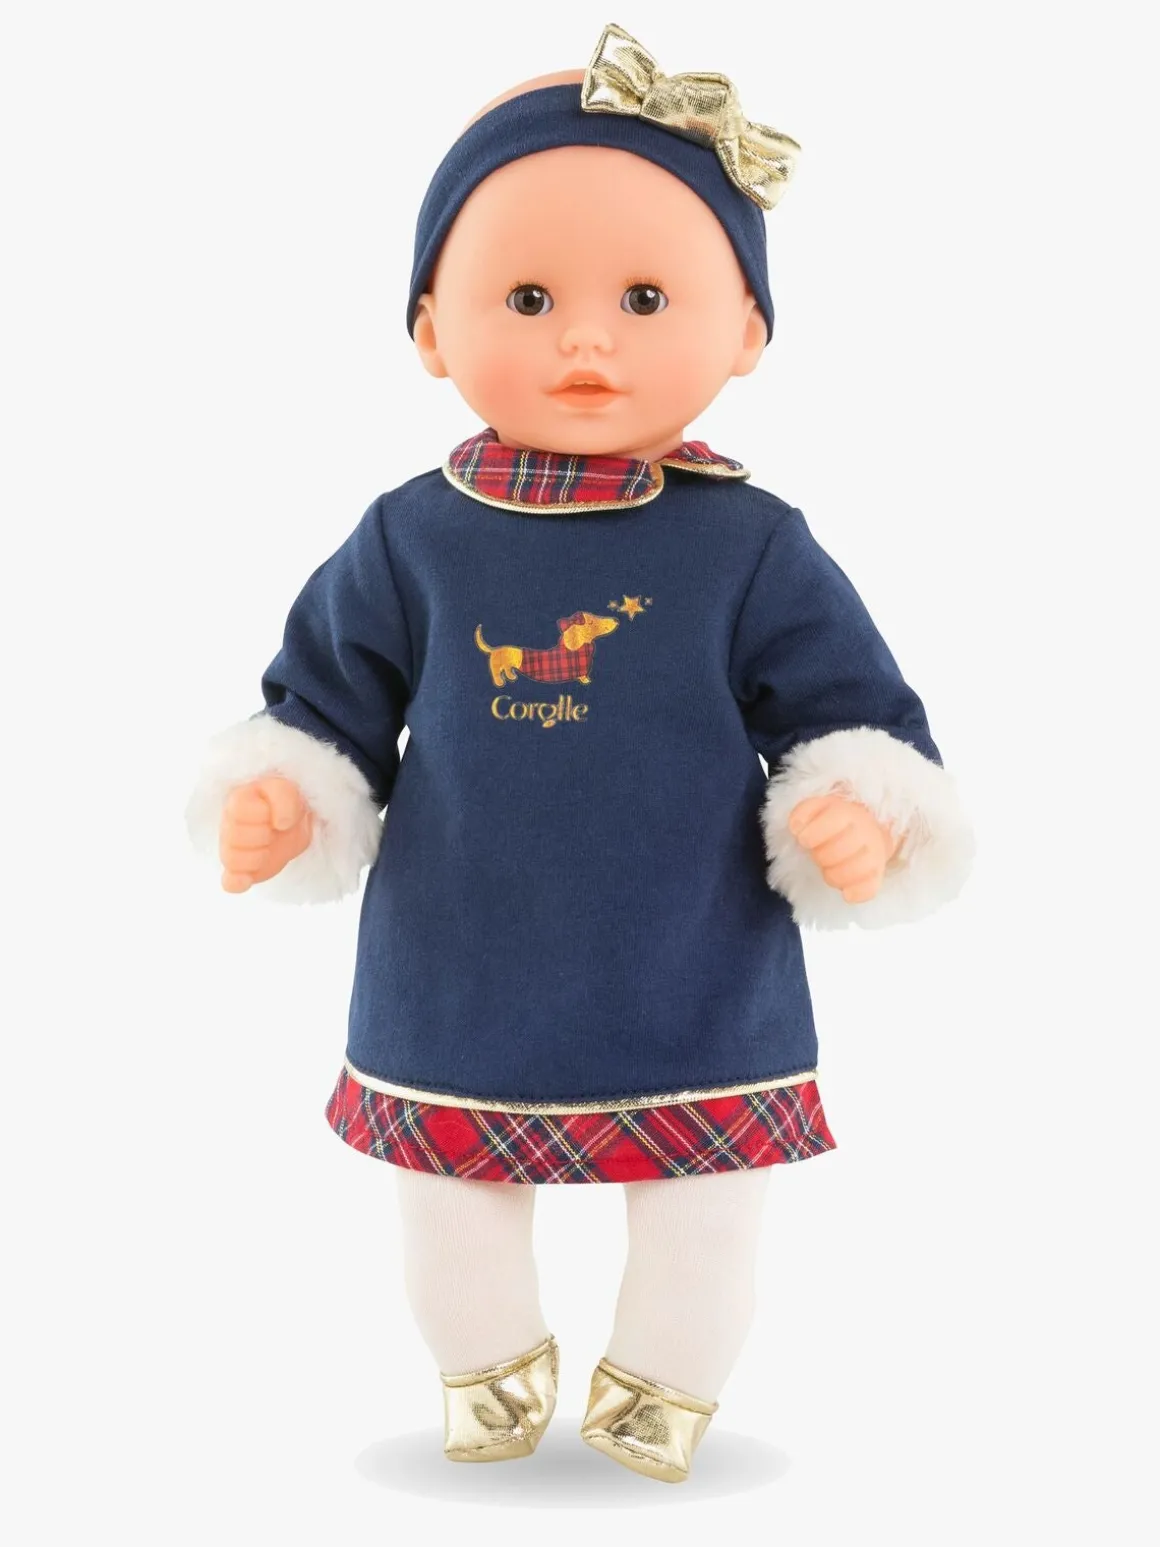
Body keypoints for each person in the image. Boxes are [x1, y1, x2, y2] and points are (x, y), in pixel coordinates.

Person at [186, 23, 973, 1484]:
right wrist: (284, 794)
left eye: (646, 297)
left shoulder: (751, 545)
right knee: (447, 1188)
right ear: (432, 328)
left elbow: (851, 710)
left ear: (747, 330)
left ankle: (665, 1389)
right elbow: (324, 699)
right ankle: (484, 1369)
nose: (587, 340)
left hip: (693, 949)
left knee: (709, 1196)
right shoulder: (411, 536)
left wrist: (859, 806)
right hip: (460, 943)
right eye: (530, 297)